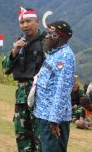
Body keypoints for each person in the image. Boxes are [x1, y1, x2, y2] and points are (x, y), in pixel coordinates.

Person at [2, 7, 47, 152]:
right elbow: (5, 69)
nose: (25, 25)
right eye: (22, 22)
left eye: (28, 21)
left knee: (40, 137)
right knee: (22, 137)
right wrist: (14, 51)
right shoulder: (19, 43)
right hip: (21, 97)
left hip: (40, 96)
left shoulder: (46, 43)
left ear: (37, 22)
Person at [33, 20, 75, 152]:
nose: (46, 36)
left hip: (53, 119)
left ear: (59, 36)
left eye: (50, 33)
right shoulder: (54, 54)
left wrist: (54, 120)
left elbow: (62, 90)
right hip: (44, 115)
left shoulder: (65, 57)